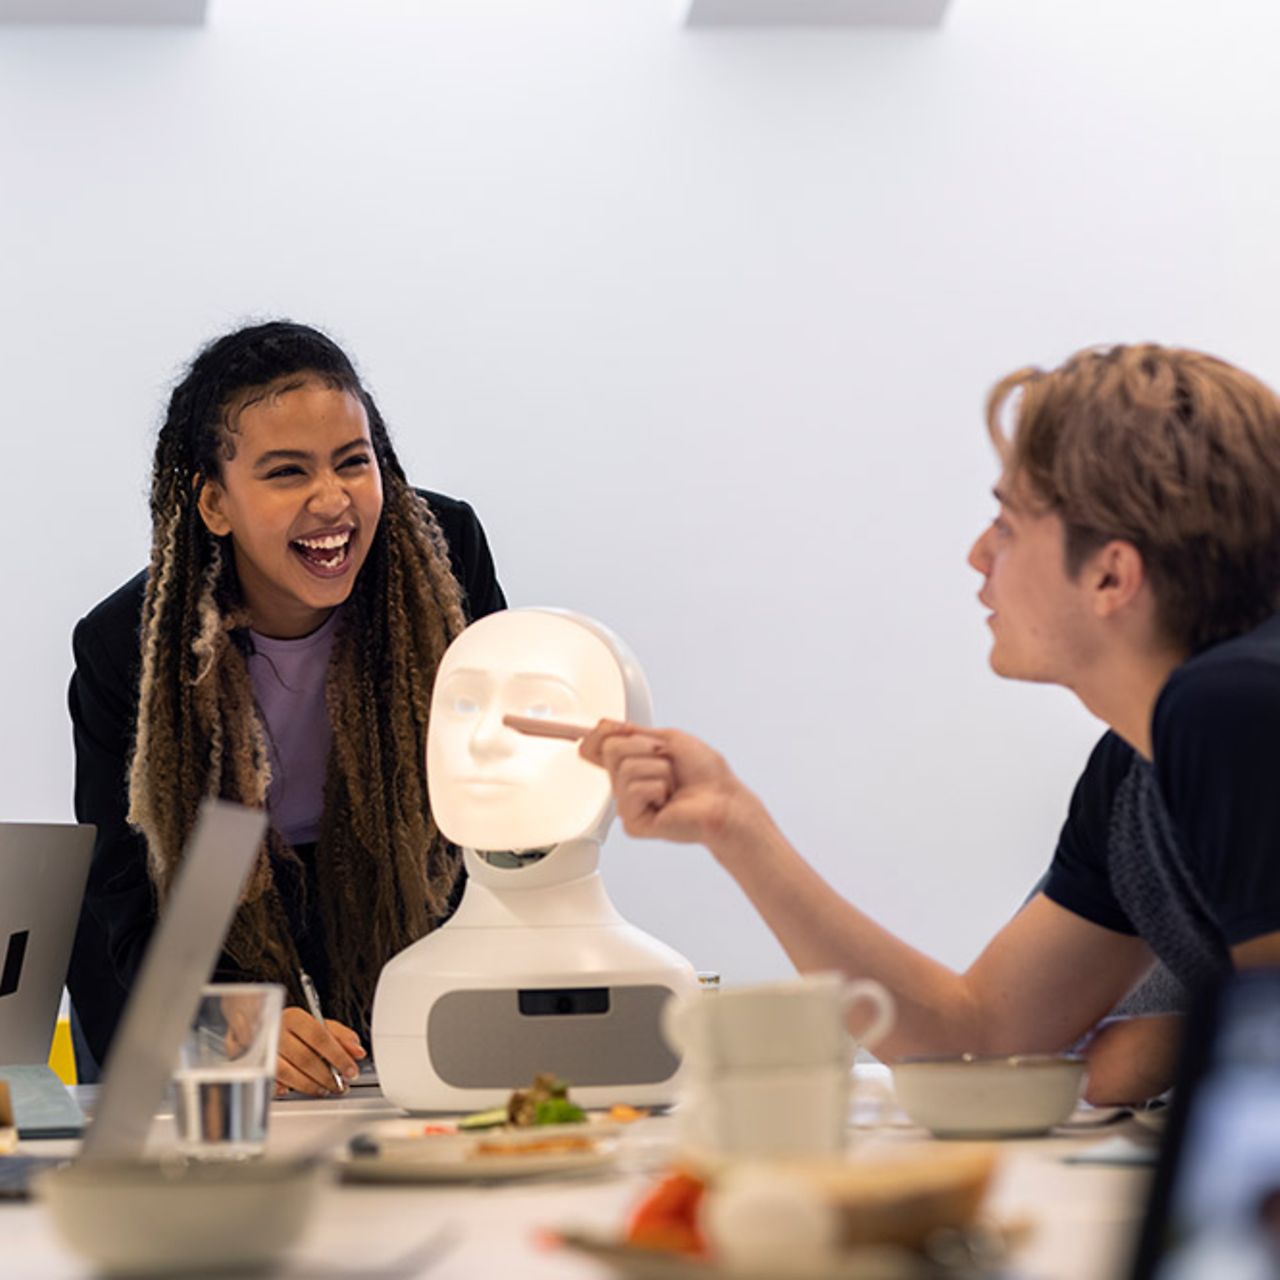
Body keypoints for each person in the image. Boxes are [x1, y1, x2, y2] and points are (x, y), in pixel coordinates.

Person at [582, 343, 1280, 1105]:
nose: (978, 554)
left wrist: (1159, 1051)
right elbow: (976, 1038)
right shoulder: (1135, 774)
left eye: (1008, 522)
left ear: (1111, 575)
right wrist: (734, 825)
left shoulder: (1230, 707)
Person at [67, 320, 505, 1095]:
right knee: (190, 1065)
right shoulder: (124, 648)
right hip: (217, 885)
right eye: (285, 473)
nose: (331, 500)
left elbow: (499, 802)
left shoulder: (445, 558)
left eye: (352, 462)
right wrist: (216, 1020)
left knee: (395, 1081)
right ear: (213, 502)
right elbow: (126, 907)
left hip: (392, 861)